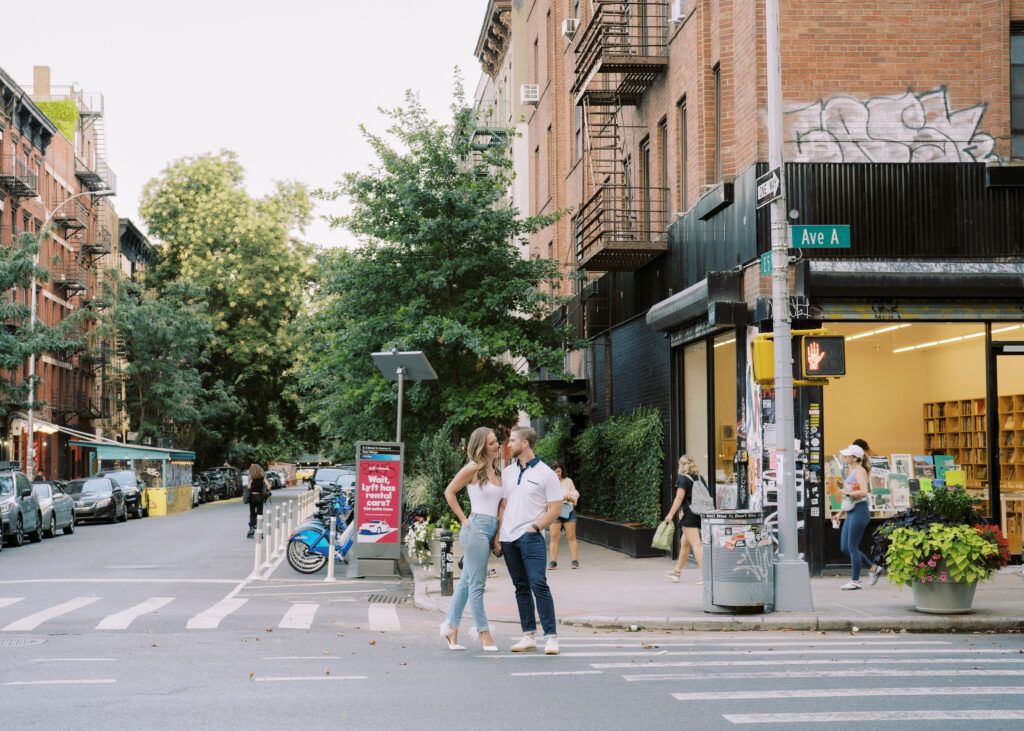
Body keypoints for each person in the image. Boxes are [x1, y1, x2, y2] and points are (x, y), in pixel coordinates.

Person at [497, 426, 563, 655]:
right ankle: (528, 635)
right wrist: (497, 537)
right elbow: (503, 505)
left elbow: (556, 508)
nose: (509, 445)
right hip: (508, 538)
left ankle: (551, 637)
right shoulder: (507, 473)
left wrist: (535, 528)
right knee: (520, 587)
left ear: (525, 443)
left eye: (513, 441)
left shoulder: (546, 473)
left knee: (539, 584)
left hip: (531, 537)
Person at [438, 427, 503, 652]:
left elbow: (500, 506)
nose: (496, 446)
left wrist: (496, 537)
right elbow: (450, 492)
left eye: (496, 442)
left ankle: (451, 628)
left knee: (466, 583)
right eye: (492, 443)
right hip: (476, 528)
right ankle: (484, 634)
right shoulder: (472, 468)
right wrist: (463, 518)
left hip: (490, 528)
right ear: (481, 446)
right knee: (477, 585)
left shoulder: (496, 470)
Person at [837, 443, 883, 590]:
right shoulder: (850, 472)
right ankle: (873, 568)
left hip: (859, 511)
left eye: (847, 455)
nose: (844, 457)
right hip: (851, 511)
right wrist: (839, 513)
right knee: (845, 547)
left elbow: (863, 491)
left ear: (855, 458)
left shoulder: (860, 471)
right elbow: (848, 498)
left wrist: (846, 493)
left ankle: (855, 581)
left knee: (852, 546)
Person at [663, 455, 712, 584]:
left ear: (681, 465)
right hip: (699, 513)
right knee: (685, 543)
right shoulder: (699, 478)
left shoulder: (683, 479)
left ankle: (705, 575)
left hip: (689, 514)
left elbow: (679, 498)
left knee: (696, 544)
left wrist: (670, 514)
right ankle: (677, 572)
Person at [548, 462, 580, 570]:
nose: (557, 474)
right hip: (554, 511)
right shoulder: (548, 483)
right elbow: (546, 498)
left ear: (562, 471)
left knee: (571, 536)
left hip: (568, 510)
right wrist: (565, 497)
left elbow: (575, 494)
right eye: (554, 472)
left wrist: (566, 497)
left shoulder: (568, 481)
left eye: (559, 471)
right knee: (554, 537)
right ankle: (553, 562)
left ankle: (575, 561)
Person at [246, 463, 270, 539]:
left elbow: (248, 487)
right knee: (259, 514)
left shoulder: (251, 477)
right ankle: (259, 529)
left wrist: (250, 481)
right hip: (260, 497)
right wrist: (266, 490)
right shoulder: (263, 478)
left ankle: (252, 528)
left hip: (252, 497)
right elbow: (269, 486)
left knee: (252, 513)